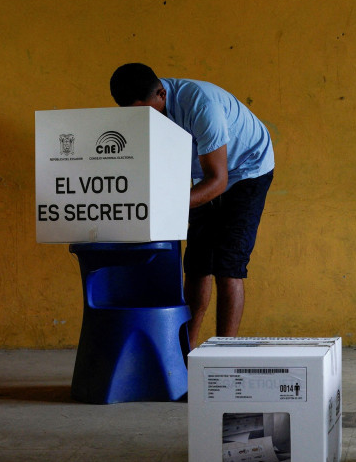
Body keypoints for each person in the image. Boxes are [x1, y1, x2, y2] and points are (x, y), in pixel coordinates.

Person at [109, 63, 274, 342]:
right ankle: (186, 353)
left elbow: (218, 181)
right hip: (204, 173)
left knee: (228, 266)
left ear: (162, 93)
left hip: (247, 169)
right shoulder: (146, 109)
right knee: (197, 265)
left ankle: (224, 353)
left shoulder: (200, 105)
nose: (142, 120)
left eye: (146, 111)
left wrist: (166, 205)